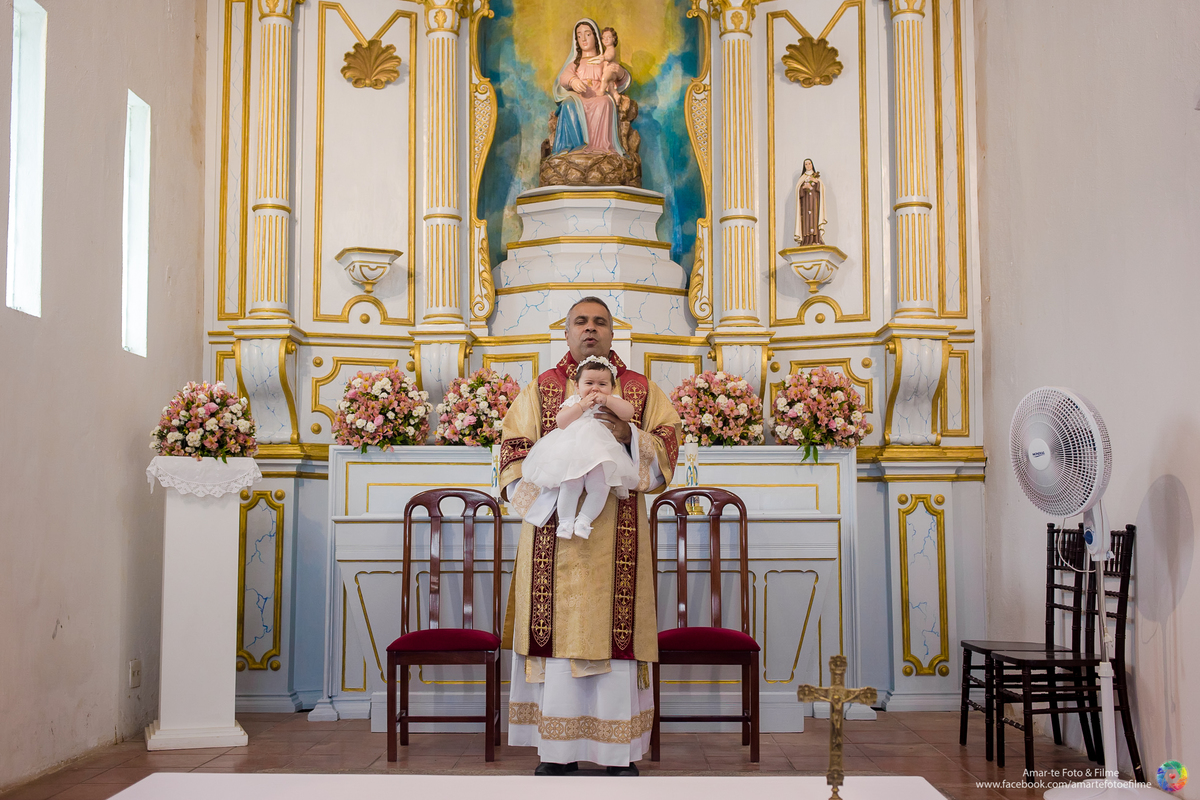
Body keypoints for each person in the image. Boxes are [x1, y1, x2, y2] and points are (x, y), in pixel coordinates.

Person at [499, 297, 681, 776]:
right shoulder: (541, 389)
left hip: (617, 529)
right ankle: (556, 754)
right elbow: (512, 447)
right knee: (556, 636)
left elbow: (668, 442)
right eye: (580, 321)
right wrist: (549, 483)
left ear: (612, 333)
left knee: (613, 636)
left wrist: (628, 435)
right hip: (552, 530)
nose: (590, 329)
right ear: (565, 333)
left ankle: (617, 754)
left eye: (600, 322)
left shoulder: (638, 389)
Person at [519, 355, 638, 540]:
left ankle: (584, 520)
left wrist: (608, 400)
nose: (595, 388)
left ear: (613, 387)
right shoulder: (574, 402)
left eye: (602, 384)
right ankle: (565, 522)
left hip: (601, 454)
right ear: (577, 385)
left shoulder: (613, 400)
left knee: (601, 486)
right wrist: (581, 406)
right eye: (589, 383)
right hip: (573, 454)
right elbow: (561, 422)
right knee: (570, 484)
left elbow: (628, 413)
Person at [551, 19, 630, 156]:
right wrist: (573, 81)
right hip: (579, 98)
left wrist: (619, 72)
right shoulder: (575, 63)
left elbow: (619, 81)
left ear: (596, 37)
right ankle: (574, 147)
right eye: (579, 35)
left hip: (598, 95)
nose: (583, 39)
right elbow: (563, 78)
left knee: (605, 103)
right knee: (568, 105)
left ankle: (600, 148)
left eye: (587, 34)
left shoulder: (603, 60)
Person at [793, 158, 827, 246]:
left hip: (814, 203)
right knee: (806, 221)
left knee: (814, 219)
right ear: (804, 166)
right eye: (806, 164)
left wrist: (816, 183)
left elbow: (822, 189)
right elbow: (798, 192)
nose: (808, 166)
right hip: (806, 204)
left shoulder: (816, 177)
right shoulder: (802, 179)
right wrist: (803, 188)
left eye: (809, 164)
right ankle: (806, 240)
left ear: (812, 165)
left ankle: (816, 239)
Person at [589, 27, 623, 103]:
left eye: (609, 37)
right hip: (608, 71)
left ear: (614, 39)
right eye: (604, 38)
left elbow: (610, 56)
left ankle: (601, 91)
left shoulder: (611, 49)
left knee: (604, 79)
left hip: (610, 71)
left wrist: (604, 57)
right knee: (611, 87)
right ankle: (616, 97)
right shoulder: (607, 49)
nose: (606, 39)